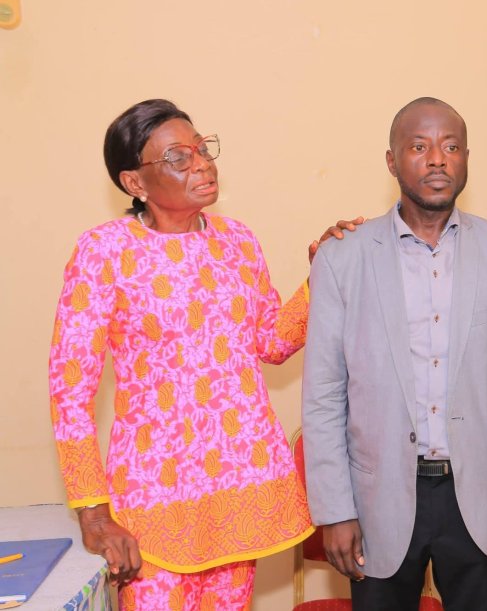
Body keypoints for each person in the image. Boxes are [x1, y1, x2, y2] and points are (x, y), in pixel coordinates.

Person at [49, 98, 361, 610]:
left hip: (238, 490)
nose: (202, 164)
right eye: (179, 157)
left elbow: (271, 342)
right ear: (134, 182)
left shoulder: (237, 241)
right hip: (153, 500)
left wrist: (321, 277)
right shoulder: (103, 252)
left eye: (202, 149)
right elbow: (70, 389)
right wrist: (94, 512)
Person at [302, 97, 487, 611]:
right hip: (378, 500)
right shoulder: (342, 258)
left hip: (480, 496)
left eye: (451, 147)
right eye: (419, 146)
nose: (437, 159)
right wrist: (335, 510)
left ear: (466, 159)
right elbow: (324, 395)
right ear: (392, 161)